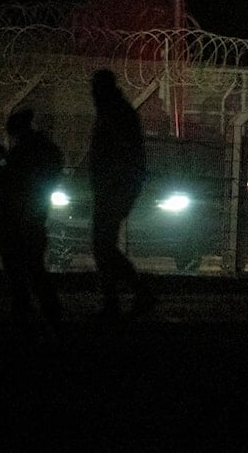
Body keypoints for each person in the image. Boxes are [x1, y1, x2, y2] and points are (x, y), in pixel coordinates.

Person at [88, 69, 154, 319]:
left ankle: (123, 297)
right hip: (113, 188)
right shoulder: (115, 111)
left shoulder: (115, 113)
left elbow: (121, 155)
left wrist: (114, 186)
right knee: (104, 245)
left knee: (102, 245)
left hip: (113, 189)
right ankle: (125, 295)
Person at [0, 108, 64, 329]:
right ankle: (46, 306)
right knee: (32, 262)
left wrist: (0, 162)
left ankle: (30, 304)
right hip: (33, 212)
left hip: (19, 214)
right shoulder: (42, 148)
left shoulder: (25, 150)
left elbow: (11, 179)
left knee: (20, 260)